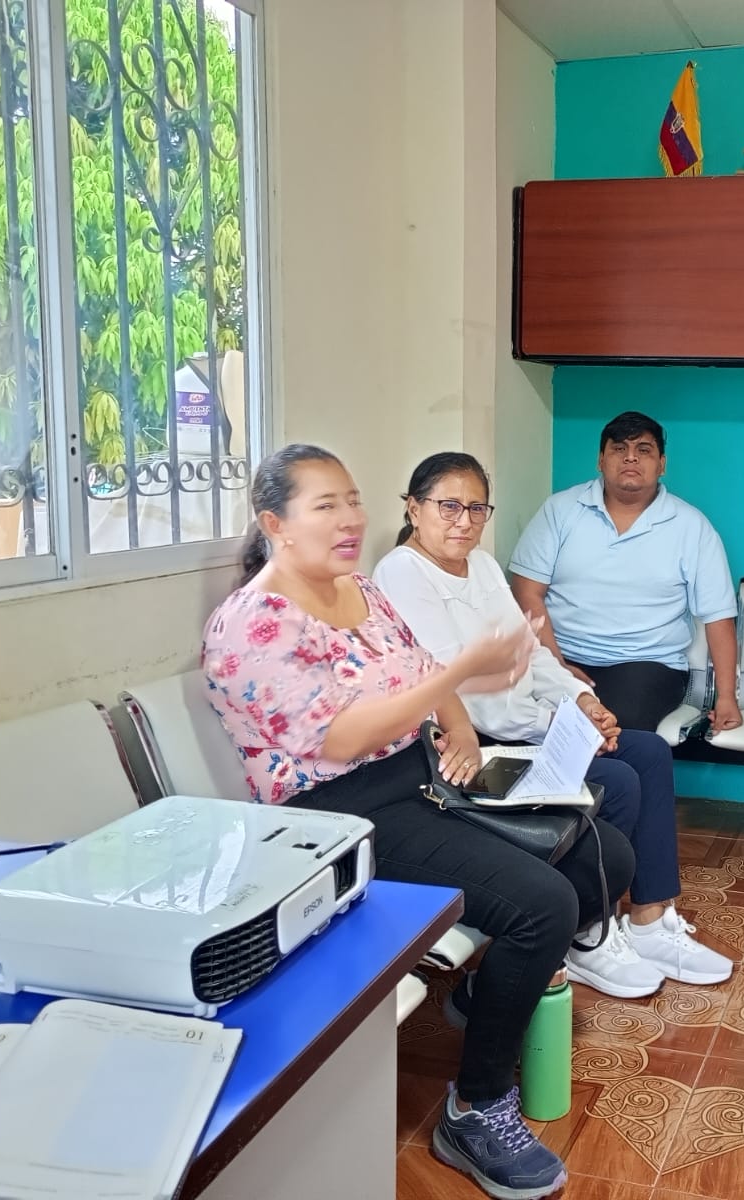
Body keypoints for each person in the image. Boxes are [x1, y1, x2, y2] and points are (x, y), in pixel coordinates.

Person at [203, 444, 636, 1200]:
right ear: (275, 523)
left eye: (352, 499)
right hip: (334, 824)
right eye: (325, 506)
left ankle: (485, 995)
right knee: (544, 905)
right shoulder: (253, 624)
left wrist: (458, 722)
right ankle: (475, 1109)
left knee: (606, 856)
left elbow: (418, 673)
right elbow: (341, 739)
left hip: (417, 783)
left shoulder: (360, 589)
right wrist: (464, 670)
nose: (350, 518)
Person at [375, 452, 733, 998]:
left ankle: (649, 918)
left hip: (524, 727)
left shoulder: (483, 566)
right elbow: (461, 691)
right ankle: (585, 934)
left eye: (476, 508)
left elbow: (531, 653)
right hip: (475, 747)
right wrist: (557, 723)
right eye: (448, 506)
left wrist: (583, 701)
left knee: (649, 754)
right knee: (617, 781)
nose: (464, 521)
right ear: (413, 508)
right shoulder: (402, 573)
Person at [509, 411, 743, 736]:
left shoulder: (692, 526)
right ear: (600, 460)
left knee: (608, 727)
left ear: (662, 464)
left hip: (646, 664)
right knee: (514, 715)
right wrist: (556, 665)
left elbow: (719, 616)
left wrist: (727, 697)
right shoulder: (560, 510)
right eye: (619, 448)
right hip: (557, 655)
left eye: (643, 450)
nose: (631, 457)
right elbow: (527, 591)